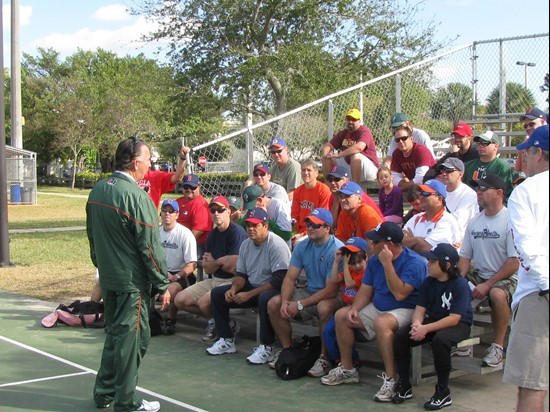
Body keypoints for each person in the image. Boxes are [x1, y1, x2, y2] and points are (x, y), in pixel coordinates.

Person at [86, 137, 170, 412]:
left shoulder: (98, 191)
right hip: (131, 284)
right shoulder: (137, 197)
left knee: (115, 337)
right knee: (133, 341)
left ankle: (104, 393)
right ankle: (126, 402)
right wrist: (162, 284)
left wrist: (101, 266)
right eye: (148, 160)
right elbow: (149, 247)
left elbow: (92, 238)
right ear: (135, 163)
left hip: (110, 280)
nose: (150, 165)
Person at [321, 222, 427, 404]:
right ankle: (348, 369)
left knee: (382, 323)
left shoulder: (414, 262)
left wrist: (387, 264)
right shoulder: (374, 260)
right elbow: (365, 291)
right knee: (341, 316)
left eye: (376, 242)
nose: (371, 244)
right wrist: (354, 308)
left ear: (389, 244)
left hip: (409, 309)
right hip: (379, 306)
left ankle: (392, 380)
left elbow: (400, 294)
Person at [392, 243, 472, 409]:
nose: (428, 264)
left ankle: (443, 391)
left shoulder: (460, 284)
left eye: (433, 262)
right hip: (434, 321)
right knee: (401, 336)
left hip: (458, 324)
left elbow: (454, 319)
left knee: (440, 341)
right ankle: (404, 384)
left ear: (447, 265)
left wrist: (426, 329)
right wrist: (416, 325)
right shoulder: (429, 282)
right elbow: (419, 309)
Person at [206, 208, 291, 363]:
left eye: (255, 225)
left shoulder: (276, 245)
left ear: (265, 226)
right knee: (218, 294)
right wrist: (233, 289)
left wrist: (249, 294)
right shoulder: (246, 245)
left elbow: (280, 279)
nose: (251, 229)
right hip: (253, 286)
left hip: (274, 289)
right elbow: (241, 274)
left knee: (265, 299)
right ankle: (226, 339)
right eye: (248, 225)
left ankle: (267, 347)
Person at [503, 124, 549, 412]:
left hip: (539, 294)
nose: (525, 159)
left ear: (539, 153)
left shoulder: (525, 191)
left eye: (528, 153)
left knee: (532, 386)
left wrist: (547, 284)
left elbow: (527, 247)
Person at [267, 208, 344, 375]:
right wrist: (286, 302)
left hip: (335, 296)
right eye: (308, 223)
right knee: (274, 303)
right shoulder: (302, 246)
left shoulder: (336, 249)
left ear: (327, 228)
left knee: (324, 307)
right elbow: (289, 278)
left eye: (315, 225)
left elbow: (331, 290)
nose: (309, 228)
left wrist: (300, 304)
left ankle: (324, 358)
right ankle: (288, 350)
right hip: (310, 292)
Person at [458, 173, 518, 367]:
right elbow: (465, 257)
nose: (478, 193)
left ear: (499, 193)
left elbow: (513, 262)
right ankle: (462, 340)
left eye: (484, 189)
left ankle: (498, 346)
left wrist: (488, 284)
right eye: (477, 188)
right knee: (454, 287)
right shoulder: (474, 222)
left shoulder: (511, 221)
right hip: (481, 273)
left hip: (509, 276)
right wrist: (458, 280)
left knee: (497, 294)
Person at [173, 196, 248, 342]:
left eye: (220, 210)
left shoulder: (236, 232)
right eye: (213, 210)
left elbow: (235, 266)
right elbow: (207, 268)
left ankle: (221, 327)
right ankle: (219, 322)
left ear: (229, 212)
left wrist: (217, 261)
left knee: (203, 302)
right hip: (214, 278)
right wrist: (220, 262)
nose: (216, 214)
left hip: (233, 281)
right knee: (180, 300)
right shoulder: (213, 235)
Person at [324, 237, 368, 369]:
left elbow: (349, 284)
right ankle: (337, 360)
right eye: (353, 263)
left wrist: (345, 264)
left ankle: (353, 360)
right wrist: (337, 262)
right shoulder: (349, 270)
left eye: (360, 262)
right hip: (347, 309)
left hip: (361, 309)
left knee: (346, 332)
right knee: (328, 331)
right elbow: (334, 279)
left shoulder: (365, 273)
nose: (357, 266)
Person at [158, 199, 198, 335]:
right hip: (160, 272)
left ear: (177, 214)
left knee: (172, 288)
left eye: (171, 211)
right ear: (160, 213)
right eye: (165, 211)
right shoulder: (156, 233)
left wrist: (176, 276)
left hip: (182, 274)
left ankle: (170, 320)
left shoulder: (185, 234)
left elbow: (192, 264)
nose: (167, 214)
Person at [321, 108, 379, 183]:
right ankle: (328, 188)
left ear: (359, 120)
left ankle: (355, 188)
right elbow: (327, 146)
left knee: (355, 155)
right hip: (350, 167)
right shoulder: (343, 133)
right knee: (327, 158)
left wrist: (340, 155)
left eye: (353, 119)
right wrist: (325, 155)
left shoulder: (364, 131)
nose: (350, 122)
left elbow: (359, 147)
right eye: (348, 119)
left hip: (368, 170)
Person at [402, 179, 460, 253]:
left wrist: (411, 241)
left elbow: (425, 248)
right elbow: (400, 241)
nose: (421, 196)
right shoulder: (416, 217)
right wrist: (419, 240)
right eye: (420, 193)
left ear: (439, 199)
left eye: (426, 193)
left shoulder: (446, 220)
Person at [325, 164, 383, 229]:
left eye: (337, 179)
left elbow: (373, 233)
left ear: (347, 181)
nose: (332, 182)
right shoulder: (334, 196)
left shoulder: (357, 197)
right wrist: (336, 200)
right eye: (330, 180)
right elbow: (331, 226)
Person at [290, 160, 332, 245]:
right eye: (303, 170)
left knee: (298, 244)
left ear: (316, 173)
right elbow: (295, 216)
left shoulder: (323, 190)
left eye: (309, 170)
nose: (305, 172)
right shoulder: (298, 190)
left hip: (317, 230)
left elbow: (322, 218)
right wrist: (296, 233)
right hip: (301, 232)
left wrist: (304, 234)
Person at [463, 130, 513, 200]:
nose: (480, 146)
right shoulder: (469, 165)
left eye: (485, 143)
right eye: (478, 143)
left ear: (496, 146)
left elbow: (506, 194)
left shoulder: (502, 167)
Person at [436, 158, 478, 237]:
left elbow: (458, 222)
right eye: (443, 170)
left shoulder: (469, 195)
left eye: (448, 170)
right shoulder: (439, 191)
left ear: (460, 174)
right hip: (438, 234)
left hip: (458, 238)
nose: (444, 173)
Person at [391, 124, 436, 193]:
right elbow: (394, 176)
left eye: (404, 138)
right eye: (397, 140)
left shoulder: (421, 151)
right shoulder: (396, 153)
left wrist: (401, 189)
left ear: (411, 139)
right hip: (414, 187)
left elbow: (420, 178)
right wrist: (404, 185)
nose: (400, 142)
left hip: (432, 186)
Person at [176, 174, 213, 257]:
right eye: (186, 187)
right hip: (177, 240)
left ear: (199, 187)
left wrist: (181, 244)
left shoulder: (200, 204)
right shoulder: (178, 201)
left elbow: (198, 231)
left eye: (192, 187)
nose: (189, 190)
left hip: (196, 243)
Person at [515, 108, 547, 173]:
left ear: (543, 122)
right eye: (525, 126)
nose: (528, 128)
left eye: (531, 124)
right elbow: (517, 171)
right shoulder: (525, 144)